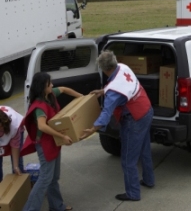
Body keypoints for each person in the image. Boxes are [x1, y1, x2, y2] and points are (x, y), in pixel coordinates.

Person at [80, 50, 154, 202]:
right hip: (146, 110)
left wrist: (93, 129)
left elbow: (106, 113)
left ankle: (133, 193)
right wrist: (103, 91)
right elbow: (122, 86)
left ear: (104, 69)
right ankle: (149, 180)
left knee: (128, 159)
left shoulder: (113, 91)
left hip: (134, 119)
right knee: (144, 149)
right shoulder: (123, 67)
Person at [23, 72, 83, 211]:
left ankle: (56, 206)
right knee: (45, 178)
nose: (52, 85)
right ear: (43, 87)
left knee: (53, 177)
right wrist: (62, 136)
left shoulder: (50, 95)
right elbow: (42, 126)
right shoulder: (39, 106)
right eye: (49, 84)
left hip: (53, 141)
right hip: (45, 144)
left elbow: (64, 89)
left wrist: (82, 97)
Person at [0, 106, 24, 181]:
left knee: (17, 165)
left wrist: (15, 166)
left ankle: (19, 186)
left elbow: (15, 146)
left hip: (14, 130)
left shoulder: (14, 126)